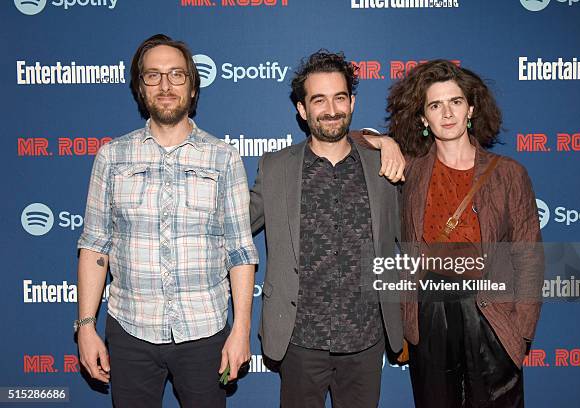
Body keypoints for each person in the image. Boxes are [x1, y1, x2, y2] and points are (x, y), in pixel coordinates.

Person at [75, 34, 258, 408]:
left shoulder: (224, 158)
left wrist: (240, 329)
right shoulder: (112, 157)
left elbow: (240, 250)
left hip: (204, 331)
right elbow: (95, 246)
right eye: (153, 76)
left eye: (176, 75)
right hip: (130, 331)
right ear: (140, 88)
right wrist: (86, 327)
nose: (165, 86)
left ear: (192, 87)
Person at [382, 59, 544, 407]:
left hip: (490, 310)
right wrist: (384, 143)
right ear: (423, 118)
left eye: (455, 102)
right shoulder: (412, 169)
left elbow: (529, 256)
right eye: (435, 105)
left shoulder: (509, 175)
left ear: (471, 108)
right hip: (431, 309)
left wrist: (523, 331)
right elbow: (348, 139)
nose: (447, 113)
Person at [249, 50, 404, 408]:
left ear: (352, 102)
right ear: (302, 110)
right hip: (299, 339)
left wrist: (385, 140)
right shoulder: (276, 169)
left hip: (366, 339)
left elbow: (410, 239)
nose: (331, 109)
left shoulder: (384, 165)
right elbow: (236, 222)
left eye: (339, 97)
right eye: (318, 99)